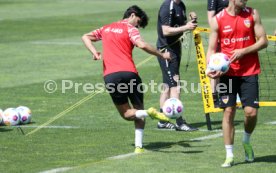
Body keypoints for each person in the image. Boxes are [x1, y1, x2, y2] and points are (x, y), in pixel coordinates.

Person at [82, 5, 172, 154]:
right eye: (138, 21)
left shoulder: (106, 28)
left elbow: (85, 36)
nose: (138, 25)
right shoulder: (131, 29)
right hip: (130, 74)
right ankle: (139, 144)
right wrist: (162, 55)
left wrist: (94, 52)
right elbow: (141, 44)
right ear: (132, 15)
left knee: (127, 114)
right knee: (138, 109)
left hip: (111, 76)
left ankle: (145, 122)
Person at [206, 0, 268, 167]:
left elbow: (263, 41)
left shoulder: (252, 14)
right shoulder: (218, 19)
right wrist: (209, 68)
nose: (245, 0)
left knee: (251, 113)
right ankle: (229, 154)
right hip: (227, 74)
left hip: (249, 71)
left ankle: (246, 140)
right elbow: (212, 49)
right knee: (228, 112)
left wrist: (243, 51)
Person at [156, 0, 198, 131]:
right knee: (175, 85)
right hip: (167, 51)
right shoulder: (167, 6)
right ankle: (180, 122)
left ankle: (162, 121)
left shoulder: (181, 5)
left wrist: (190, 21)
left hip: (175, 49)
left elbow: (178, 26)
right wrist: (186, 27)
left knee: (167, 87)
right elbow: (166, 31)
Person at [207, 0, 229, 107]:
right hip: (219, 34)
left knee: (230, 65)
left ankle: (228, 95)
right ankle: (214, 97)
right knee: (216, 66)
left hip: (230, 35)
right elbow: (210, 17)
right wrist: (217, 33)